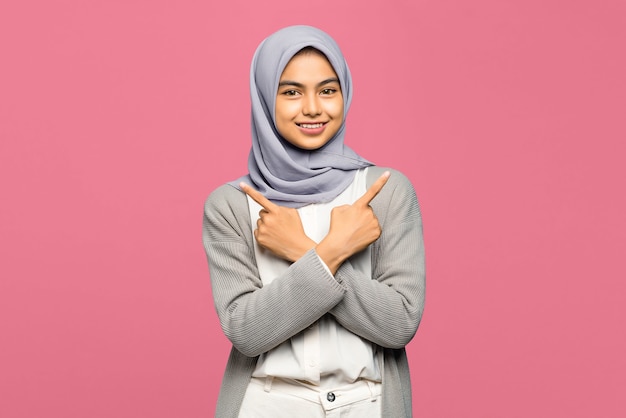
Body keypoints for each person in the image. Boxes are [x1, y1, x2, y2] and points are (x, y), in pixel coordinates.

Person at [202, 25, 425, 418]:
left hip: (368, 405)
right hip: (265, 405)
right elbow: (247, 332)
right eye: (291, 92)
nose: (312, 108)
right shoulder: (231, 205)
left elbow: (399, 324)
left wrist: (303, 251)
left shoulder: (386, 191)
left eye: (327, 90)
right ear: (264, 99)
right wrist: (332, 251)